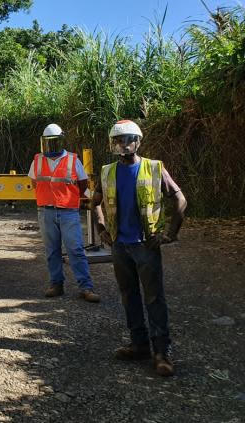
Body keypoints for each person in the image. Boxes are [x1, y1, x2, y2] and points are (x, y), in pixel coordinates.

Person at [92, 119, 186, 377]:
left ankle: (161, 352)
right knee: (128, 295)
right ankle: (139, 344)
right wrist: (102, 230)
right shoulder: (107, 171)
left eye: (128, 139)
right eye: (118, 140)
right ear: (113, 143)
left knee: (154, 298)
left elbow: (179, 199)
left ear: (138, 141)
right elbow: (95, 202)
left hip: (146, 244)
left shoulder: (154, 168)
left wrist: (170, 234)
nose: (123, 145)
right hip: (120, 246)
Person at [28, 123, 100, 302]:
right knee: (52, 251)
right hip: (46, 211)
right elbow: (35, 182)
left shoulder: (73, 160)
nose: (51, 147)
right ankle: (56, 284)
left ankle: (85, 287)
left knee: (75, 249)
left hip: (68, 211)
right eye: (48, 143)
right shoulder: (37, 160)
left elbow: (82, 184)